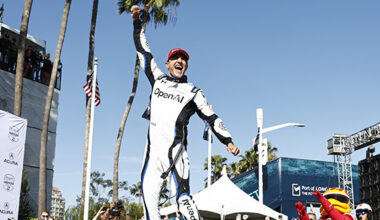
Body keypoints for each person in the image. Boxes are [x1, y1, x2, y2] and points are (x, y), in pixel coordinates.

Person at [130, 5, 240, 220]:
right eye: (175, 58)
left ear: (186, 66)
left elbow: (212, 117)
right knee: (149, 206)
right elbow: (143, 51)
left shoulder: (193, 92)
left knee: (183, 198)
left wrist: (227, 140)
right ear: (167, 63)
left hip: (177, 151)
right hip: (152, 155)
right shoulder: (158, 79)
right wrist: (136, 22)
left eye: (183, 59)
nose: (180, 61)